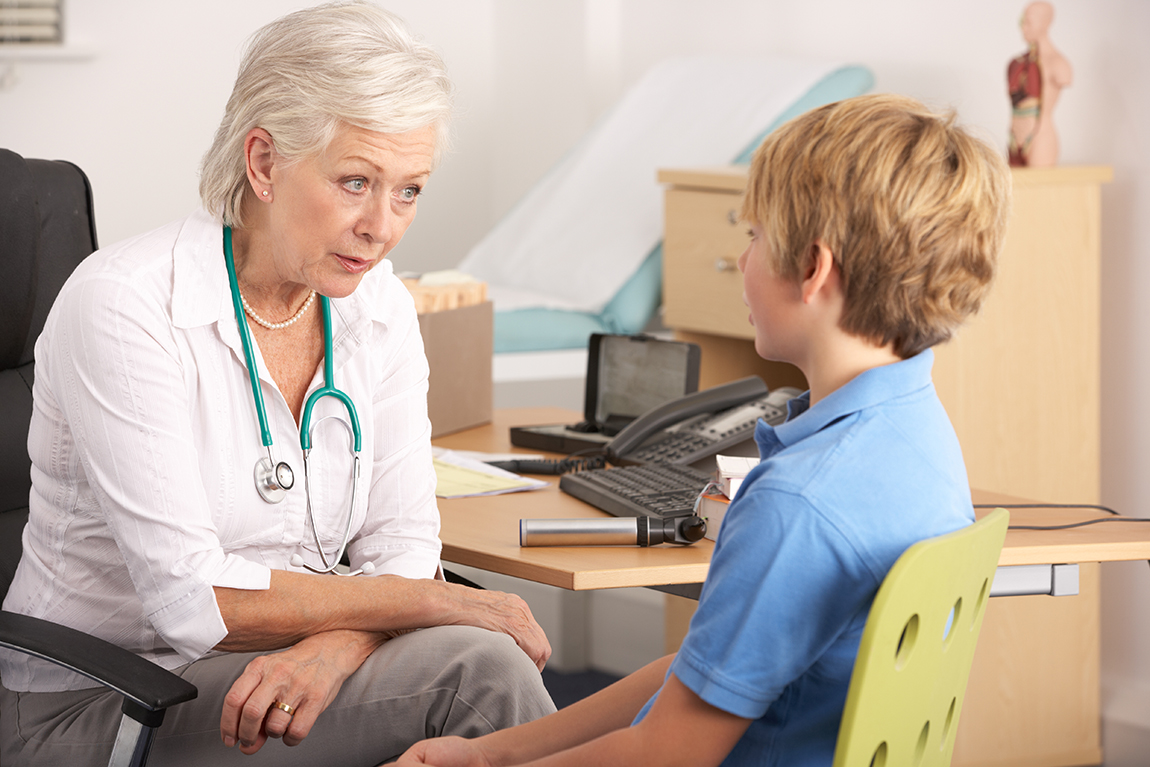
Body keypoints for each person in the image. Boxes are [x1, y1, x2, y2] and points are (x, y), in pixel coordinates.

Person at [0, 4, 556, 766]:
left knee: (468, 665)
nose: (382, 226)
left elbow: (401, 543)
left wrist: (336, 649)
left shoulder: (379, 305)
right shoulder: (125, 304)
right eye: (356, 181)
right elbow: (197, 605)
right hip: (103, 701)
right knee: (476, 672)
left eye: (409, 190)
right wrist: (442, 600)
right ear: (262, 163)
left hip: (281, 671)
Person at [397, 93, 1012, 767]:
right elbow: (691, 674)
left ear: (813, 268)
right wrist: (491, 754)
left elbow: (663, 753)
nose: (743, 261)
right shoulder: (919, 431)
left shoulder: (796, 505)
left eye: (754, 237)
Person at [1008, 1, 1072, 167]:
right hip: (1014, 138)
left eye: (1029, 21)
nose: (1023, 27)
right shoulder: (1016, 64)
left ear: (1045, 23)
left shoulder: (1058, 63)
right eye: (1022, 22)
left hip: (1040, 136)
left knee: (1040, 189)